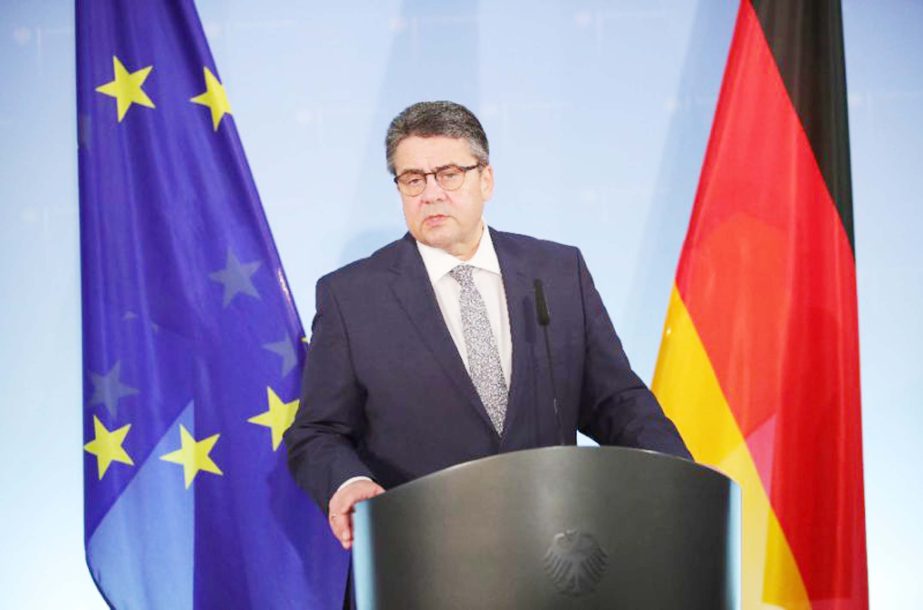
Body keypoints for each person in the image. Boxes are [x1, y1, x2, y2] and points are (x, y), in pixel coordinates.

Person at [284, 100, 691, 552]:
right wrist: (348, 482)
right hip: (419, 560)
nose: (431, 193)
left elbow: (616, 401)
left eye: (449, 174)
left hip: (550, 554)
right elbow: (316, 432)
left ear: (486, 179)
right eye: (413, 179)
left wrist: (676, 474)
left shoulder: (557, 272)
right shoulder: (353, 296)